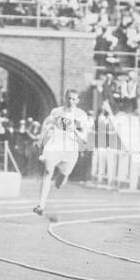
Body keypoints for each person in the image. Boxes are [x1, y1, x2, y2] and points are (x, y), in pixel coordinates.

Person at [33, 88, 91, 216]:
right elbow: (46, 124)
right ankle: (41, 206)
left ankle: (63, 175)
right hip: (56, 144)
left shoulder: (81, 115)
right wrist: (40, 138)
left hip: (70, 149)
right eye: (69, 98)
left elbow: (84, 138)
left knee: (61, 181)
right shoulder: (57, 111)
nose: (71, 101)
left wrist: (74, 130)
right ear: (65, 98)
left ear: (78, 101)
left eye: (74, 99)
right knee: (48, 172)